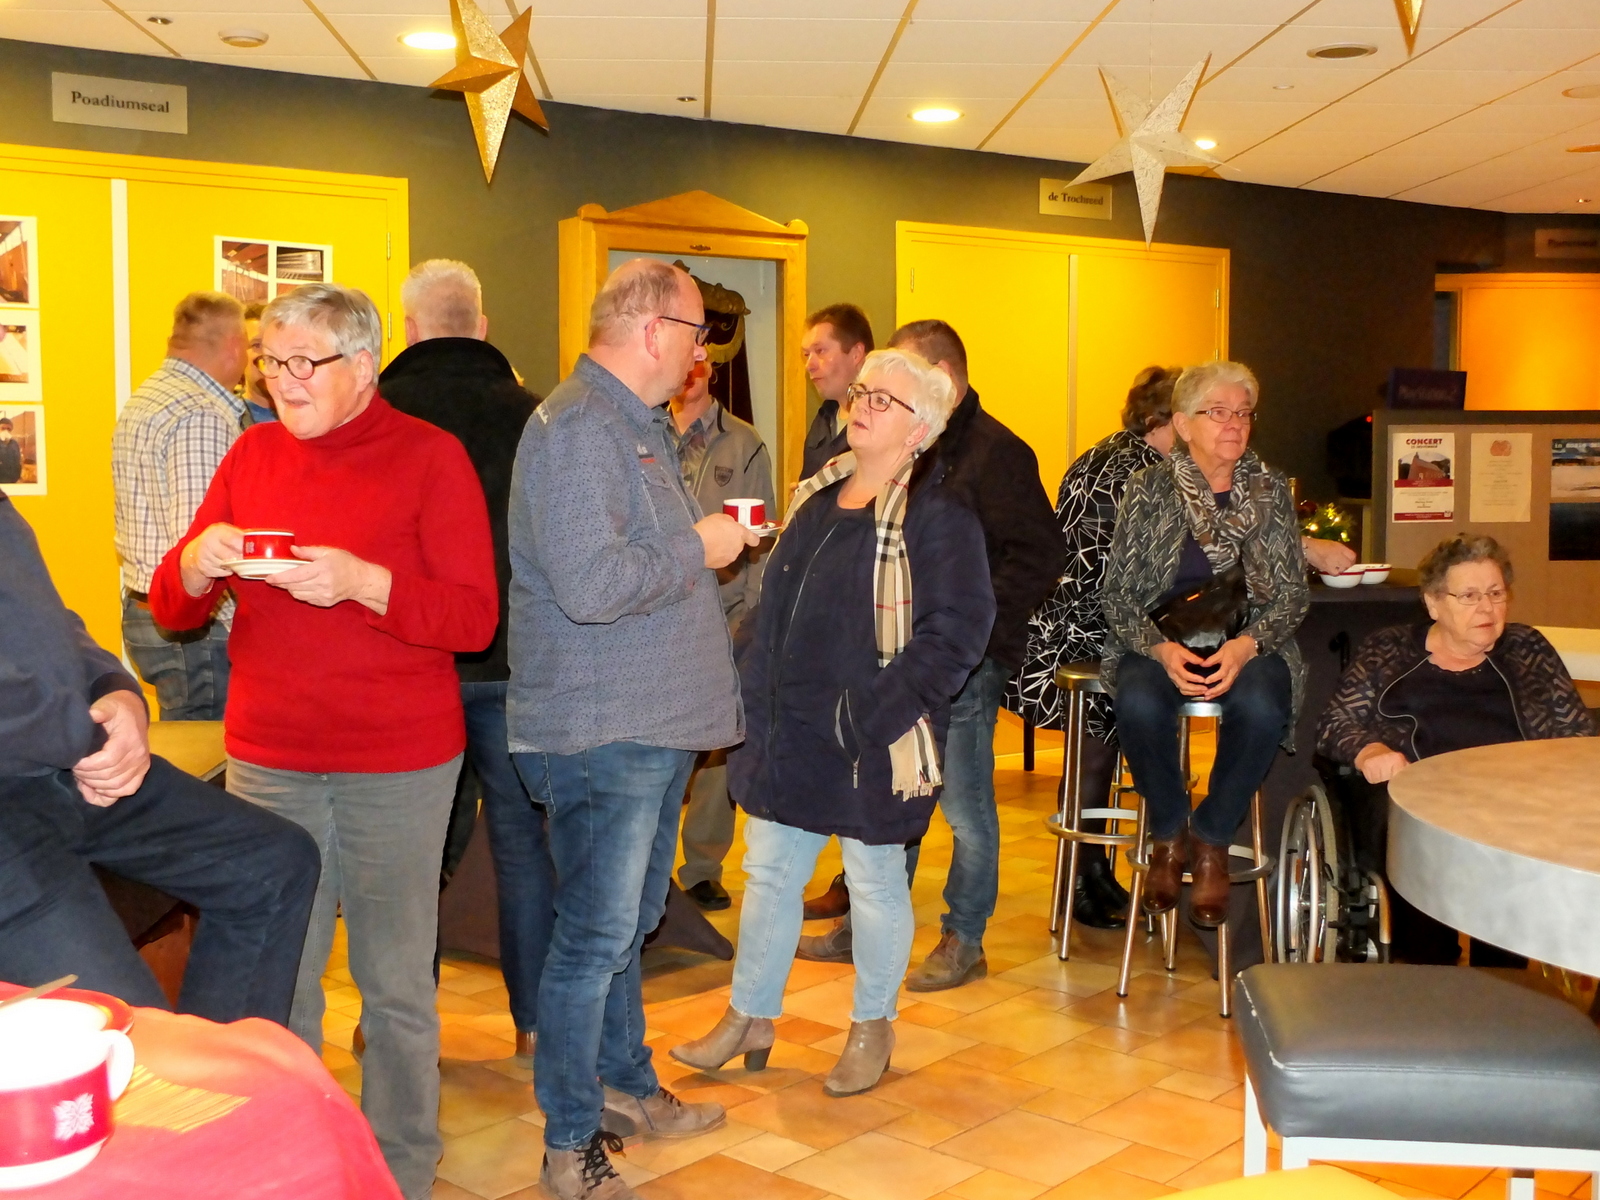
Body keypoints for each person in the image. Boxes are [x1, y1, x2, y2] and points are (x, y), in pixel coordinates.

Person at [149, 282, 497, 1200]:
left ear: (365, 366)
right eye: (272, 361)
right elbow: (173, 608)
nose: (283, 380)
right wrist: (195, 561)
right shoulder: (252, 452)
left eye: (305, 361)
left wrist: (363, 583)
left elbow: (474, 618)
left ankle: (400, 1169)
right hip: (270, 757)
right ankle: (295, 1164)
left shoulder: (430, 457)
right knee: (280, 979)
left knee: (394, 984)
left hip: (400, 760)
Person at [671, 348, 993, 1096]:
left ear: (921, 429)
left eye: (884, 400)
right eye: (863, 392)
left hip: (869, 738)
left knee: (874, 882)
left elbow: (957, 634)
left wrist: (868, 715)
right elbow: (773, 609)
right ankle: (749, 1017)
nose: (863, 405)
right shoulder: (818, 497)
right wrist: (744, 681)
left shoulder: (938, 516)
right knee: (769, 873)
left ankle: (872, 1027)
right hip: (791, 730)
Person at [506, 259, 756, 1200]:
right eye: (696, 333)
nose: (700, 354)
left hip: (643, 724)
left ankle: (623, 1082)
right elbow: (592, 585)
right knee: (592, 938)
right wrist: (701, 544)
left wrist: (694, 544)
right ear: (654, 331)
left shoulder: (629, 422)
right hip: (600, 730)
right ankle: (570, 1142)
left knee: (625, 927)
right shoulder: (580, 428)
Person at [800, 320, 1065, 994]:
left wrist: (971, 629)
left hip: (965, 663)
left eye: (903, 376)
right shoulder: (908, 444)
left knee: (965, 807)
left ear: (942, 377)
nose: (883, 393)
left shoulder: (999, 453)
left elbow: (1038, 555)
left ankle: (964, 936)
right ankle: (866, 926)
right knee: (891, 791)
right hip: (894, 652)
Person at [0, 492, 319, 1024]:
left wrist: (117, 689)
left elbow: (47, 619)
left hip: (64, 768)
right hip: (16, 803)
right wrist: (88, 737)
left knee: (276, 863)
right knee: (132, 1037)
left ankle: (219, 1065)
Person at [381, 258, 548, 1059]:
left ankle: (397, 1021)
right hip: (516, 663)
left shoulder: (377, 414)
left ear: (408, 328)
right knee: (522, 846)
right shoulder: (535, 417)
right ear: (482, 327)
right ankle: (534, 1023)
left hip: (411, 665)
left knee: (410, 851)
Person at [1317, 532, 1595, 963]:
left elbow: (1576, 732)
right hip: (1425, 803)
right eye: (1469, 596)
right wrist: (1369, 751)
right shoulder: (1389, 649)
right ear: (1433, 603)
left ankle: (1505, 975)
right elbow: (1335, 723)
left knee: (1520, 855)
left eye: (1496, 593)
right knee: (1417, 857)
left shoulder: (1528, 649)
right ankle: (1431, 972)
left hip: (1516, 804)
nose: (1487, 608)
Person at [1100, 360, 1308, 928]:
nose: (1234, 424)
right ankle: (1169, 832)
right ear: (1183, 424)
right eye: (1218, 412)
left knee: (1263, 705)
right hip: (1161, 637)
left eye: (1243, 413)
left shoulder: (1270, 489)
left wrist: (1247, 646)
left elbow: (1292, 594)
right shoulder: (1148, 489)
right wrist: (1159, 649)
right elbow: (1117, 593)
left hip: (1250, 638)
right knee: (1138, 702)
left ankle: (1212, 837)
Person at [1008, 366, 1182, 929]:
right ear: (1161, 420)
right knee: (1095, 753)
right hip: (1086, 634)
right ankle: (1079, 882)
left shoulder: (1110, 456)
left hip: (1072, 626)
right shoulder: (1135, 472)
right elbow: (1116, 575)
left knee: (1097, 753)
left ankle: (1092, 871)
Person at [668, 355, 776, 910]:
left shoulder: (744, 444)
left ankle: (703, 867)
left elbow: (763, 541)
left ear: (711, 370)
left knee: (716, 747)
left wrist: (750, 621)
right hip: (658, 614)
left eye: (699, 365)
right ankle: (649, 868)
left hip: (723, 616)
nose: (689, 374)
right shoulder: (645, 431)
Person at [112, 291, 249, 722]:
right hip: (195, 626)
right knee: (206, 752)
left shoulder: (149, 396)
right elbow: (201, 542)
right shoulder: (201, 413)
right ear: (234, 346)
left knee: (186, 744)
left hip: (146, 612)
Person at [800, 303, 873, 478]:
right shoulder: (824, 419)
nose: (809, 365)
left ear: (856, 354)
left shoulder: (879, 420)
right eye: (806, 355)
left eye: (820, 351)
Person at [241, 302, 277, 424]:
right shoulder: (230, 419)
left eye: (273, 344)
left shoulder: (308, 417)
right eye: (257, 345)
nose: (266, 355)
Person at [0, 417, 20, 484]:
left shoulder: (14, 444)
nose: (6, 431)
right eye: (3, 428)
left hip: (11, 480)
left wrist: (16, 477)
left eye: (8, 429)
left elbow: (17, 462)